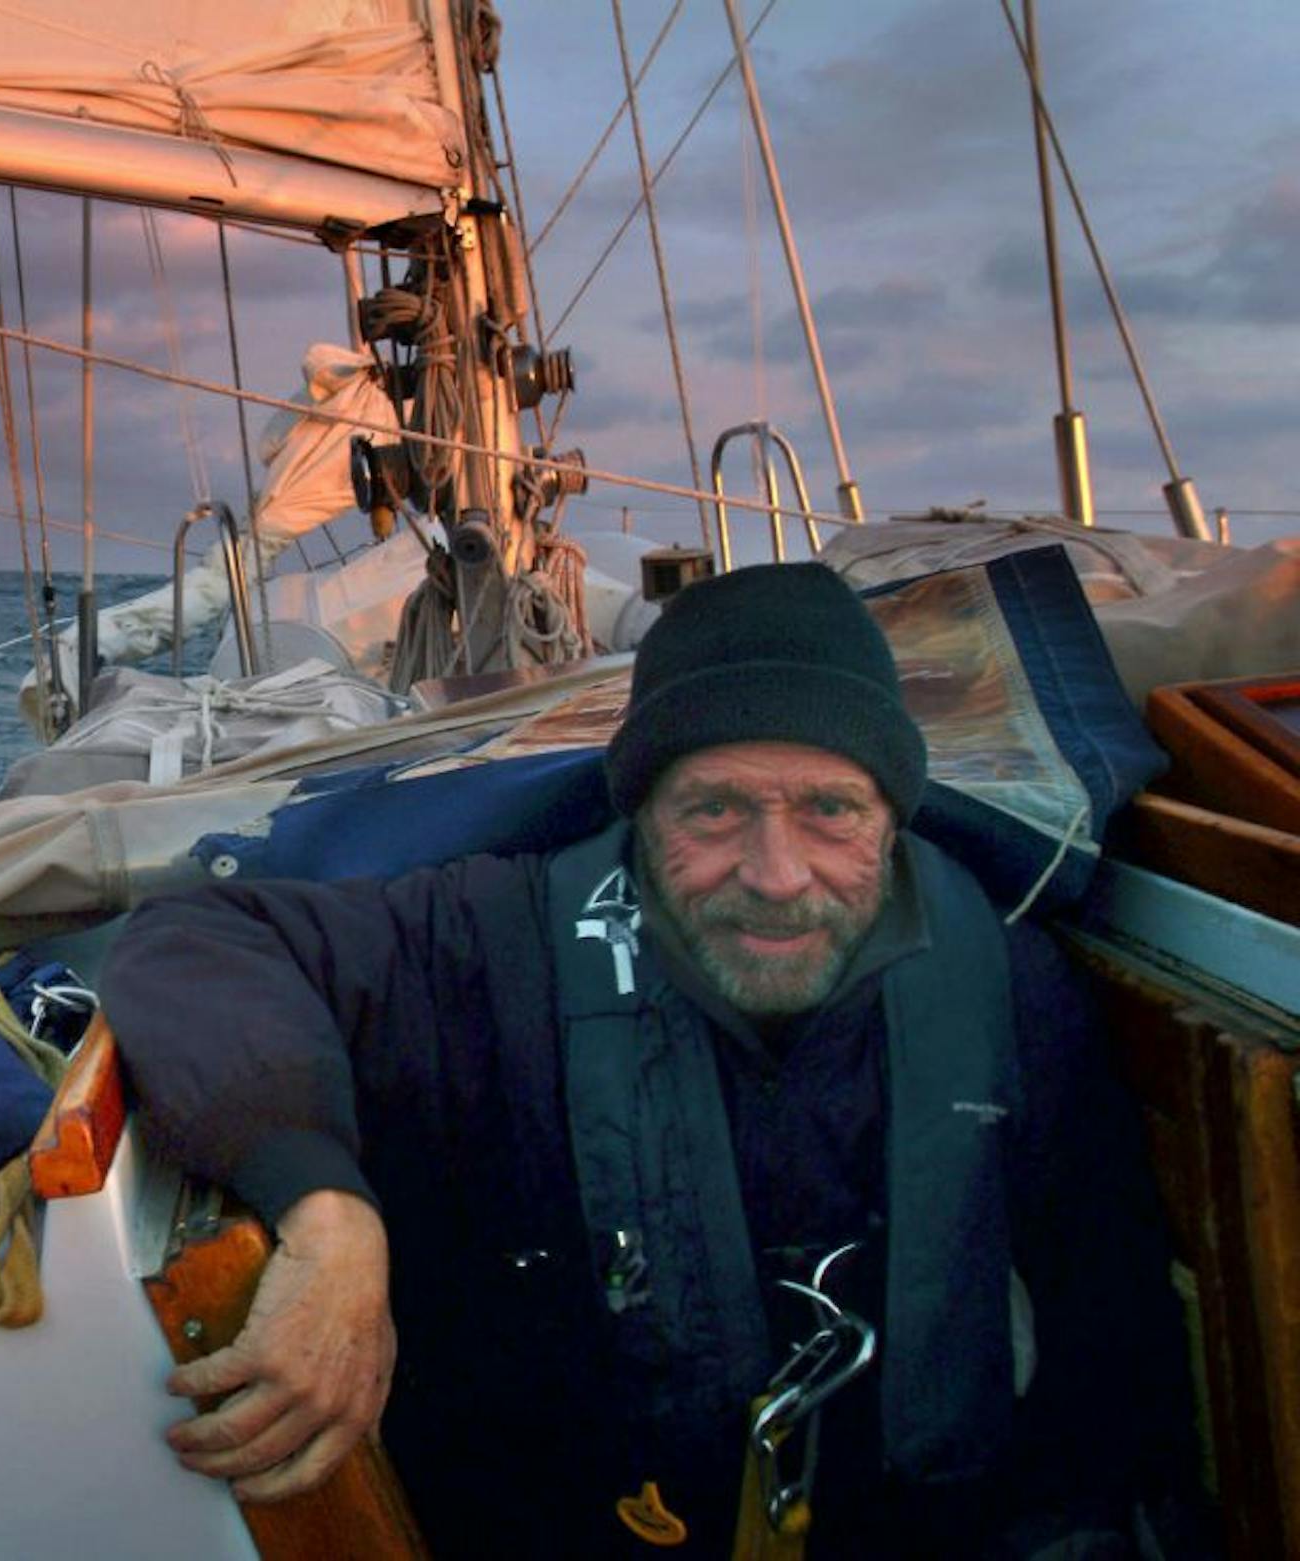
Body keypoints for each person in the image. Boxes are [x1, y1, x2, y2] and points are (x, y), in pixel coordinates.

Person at [98, 563, 1199, 1557]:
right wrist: (328, 1212)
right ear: (639, 810)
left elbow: (1108, 1326)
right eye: (714, 809)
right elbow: (197, 944)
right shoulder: (494, 942)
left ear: (893, 817)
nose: (776, 874)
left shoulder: (1008, 991)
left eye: (830, 811)